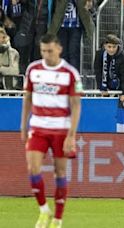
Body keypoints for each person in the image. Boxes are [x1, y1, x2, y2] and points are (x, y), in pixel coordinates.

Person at [20, 34, 82, 228]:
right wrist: (23, 125)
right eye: (43, 51)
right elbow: (27, 99)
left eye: (50, 50)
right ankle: (44, 210)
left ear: (59, 49)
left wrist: (71, 135)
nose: (46, 54)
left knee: (60, 172)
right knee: (32, 168)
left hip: (60, 129)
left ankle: (58, 218)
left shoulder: (70, 73)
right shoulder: (33, 70)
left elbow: (76, 105)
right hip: (38, 127)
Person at [48, 0, 95, 71]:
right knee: (62, 54)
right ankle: (63, 77)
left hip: (76, 27)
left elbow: (91, 5)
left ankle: (74, 78)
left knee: (74, 54)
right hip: (61, 27)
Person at [94, 34, 124, 101]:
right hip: (105, 85)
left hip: (119, 86)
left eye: (114, 47)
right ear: (105, 46)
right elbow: (98, 72)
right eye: (109, 47)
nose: (111, 49)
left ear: (118, 46)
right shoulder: (99, 55)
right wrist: (101, 87)